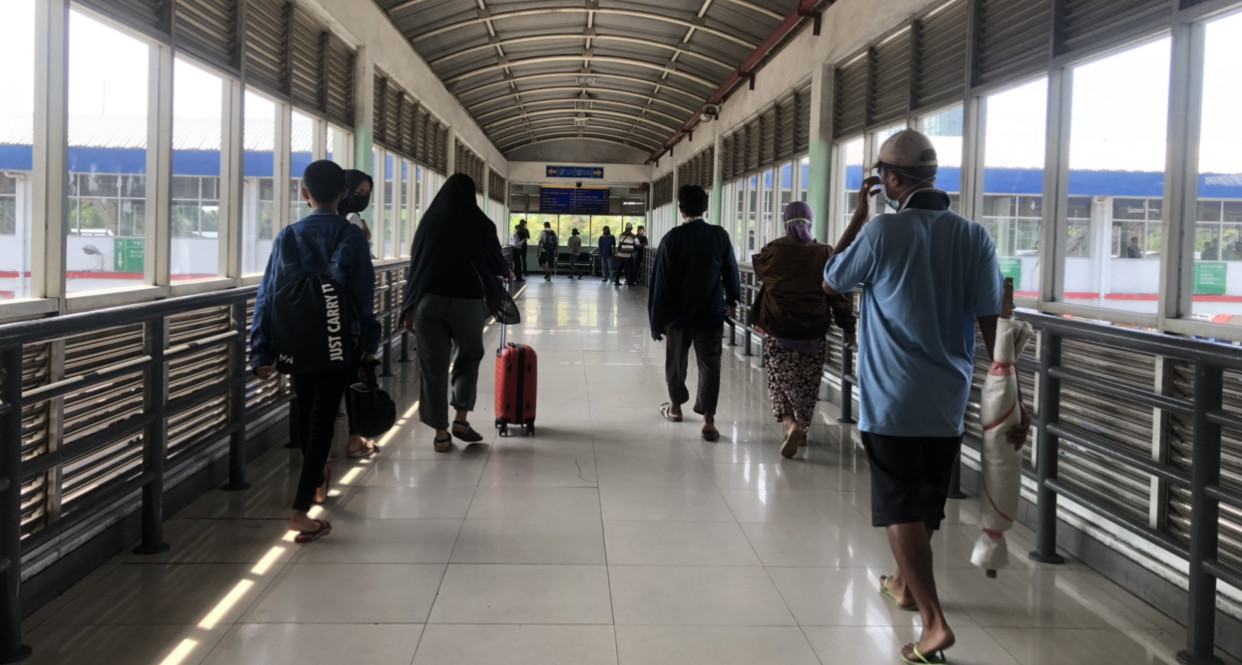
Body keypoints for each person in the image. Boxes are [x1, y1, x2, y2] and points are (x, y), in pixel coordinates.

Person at [822, 129, 1029, 665]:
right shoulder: (974, 236)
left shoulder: (882, 231)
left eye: (881, 176)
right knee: (926, 500)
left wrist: (859, 217)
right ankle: (905, 584)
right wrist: (1015, 399)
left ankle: (934, 624)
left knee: (898, 504)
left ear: (892, 179)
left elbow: (831, 279)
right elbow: (993, 326)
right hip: (947, 397)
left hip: (891, 396)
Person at [250, 160, 380, 544]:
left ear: (303, 193)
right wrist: (370, 345)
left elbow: (267, 296)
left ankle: (318, 481)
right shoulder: (352, 238)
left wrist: (261, 352)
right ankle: (300, 511)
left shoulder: (286, 236)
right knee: (323, 418)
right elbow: (362, 299)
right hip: (341, 342)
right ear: (343, 194)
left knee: (308, 413)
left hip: (297, 340)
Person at [401, 174, 511, 453]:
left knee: (433, 368)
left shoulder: (428, 223)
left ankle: (441, 435)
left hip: (428, 304)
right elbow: (497, 263)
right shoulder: (482, 224)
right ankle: (461, 419)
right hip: (468, 302)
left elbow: (416, 267)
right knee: (469, 357)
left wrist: (408, 308)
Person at [752, 201, 855, 458]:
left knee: (779, 382)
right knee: (808, 384)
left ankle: (791, 424)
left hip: (778, 329)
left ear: (785, 221)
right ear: (810, 220)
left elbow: (759, 269)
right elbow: (837, 294)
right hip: (813, 330)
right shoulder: (825, 252)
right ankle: (803, 429)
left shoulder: (773, 250)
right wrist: (848, 327)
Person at [650, 185, 740, 442]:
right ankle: (708, 421)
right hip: (711, 313)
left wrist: (657, 320)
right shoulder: (719, 235)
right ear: (705, 208)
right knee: (710, 366)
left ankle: (676, 408)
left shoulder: (672, 238)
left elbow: (661, 282)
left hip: (678, 317)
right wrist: (732, 298)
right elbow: (731, 271)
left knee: (675, 364)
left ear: (680, 209)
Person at [336, 169, 381, 461]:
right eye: (359, 192)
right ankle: (354, 439)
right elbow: (362, 287)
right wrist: (370, 341)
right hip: (346, 319)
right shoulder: (352, 226)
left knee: (316, 391)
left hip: (310, 323)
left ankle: (317, 465)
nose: (362, 198)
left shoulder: (296, 231)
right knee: (353, 379)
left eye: (366, 193)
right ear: (344, 191)